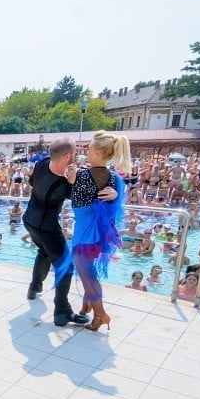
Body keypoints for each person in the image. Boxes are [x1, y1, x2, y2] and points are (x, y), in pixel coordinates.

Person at [23, 137, 117, 327]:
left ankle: (34, 287)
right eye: (75, 153)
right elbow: (92, 197)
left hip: (29, 220)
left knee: (44, 252)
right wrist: (115, 195)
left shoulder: (42, 163)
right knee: (66, 265)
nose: (78, 156)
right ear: (66, 156)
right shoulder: (64, 183)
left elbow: (33, 182)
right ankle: (62, 311)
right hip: (47, 227)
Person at [71, 131, 131, 331]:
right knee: (90, 270)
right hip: (100, 235)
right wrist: (115, 196)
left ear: (96, 153)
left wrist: (70, 177)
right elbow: (117, 205)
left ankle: (101, 314)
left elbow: (72, 192)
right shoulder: (114, 179)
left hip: (85, 233)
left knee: (87, 273)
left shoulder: (82, 175)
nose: (86, 151)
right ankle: (88, 304)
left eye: (88, 148)